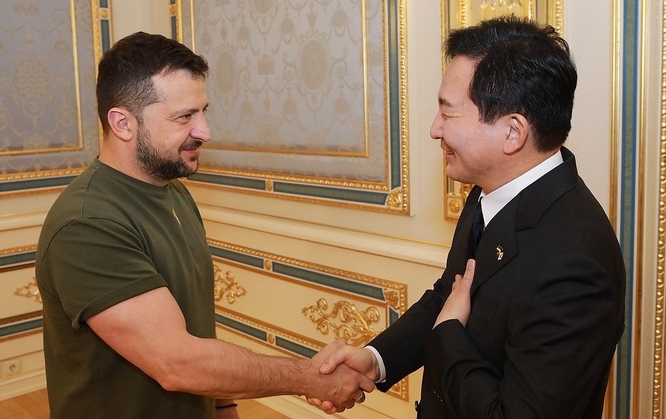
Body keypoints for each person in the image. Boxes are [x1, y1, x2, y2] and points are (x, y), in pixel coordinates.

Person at [35, 32, 373, 419]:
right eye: (184, 117)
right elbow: (177, 362)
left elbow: (195, 330)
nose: (204, 131)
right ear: (123, 123)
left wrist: (224, 406)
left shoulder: (174, 192)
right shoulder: (87, 224)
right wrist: (310, 378)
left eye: (203, 111)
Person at [310, 16, 626, 419]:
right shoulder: (489, 192)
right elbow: (452, 293)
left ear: (513, 133)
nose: (434, 129)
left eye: (448, 113)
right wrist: (376, 359)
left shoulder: (574, 265)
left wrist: (447, 336)